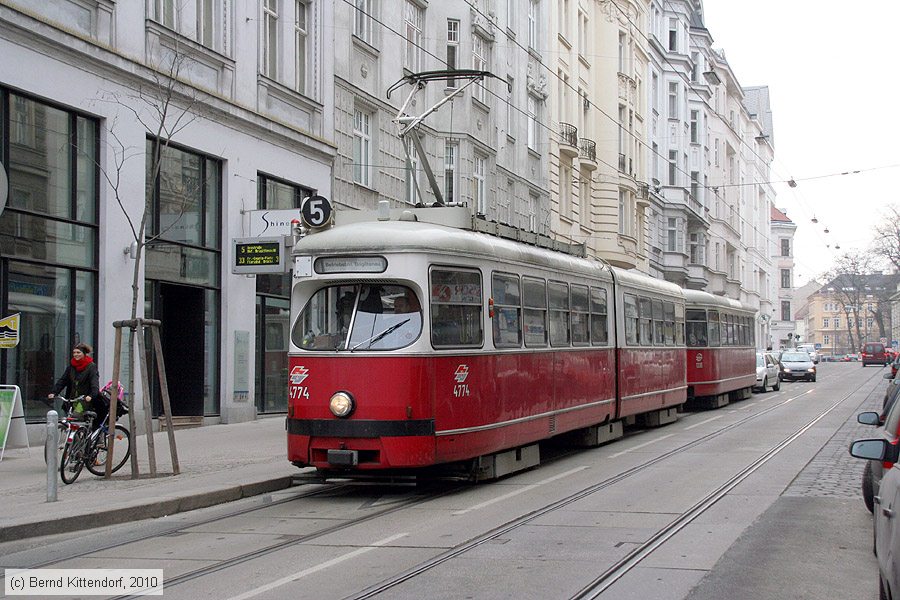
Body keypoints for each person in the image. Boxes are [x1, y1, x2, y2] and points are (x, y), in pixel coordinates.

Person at [49, 343, 104, 430]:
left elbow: (94, 383)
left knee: (76, 416)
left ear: (84, 353)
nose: (76, 354)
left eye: (78, 352)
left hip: (85, 400)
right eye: (74, 352)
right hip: (72, 399)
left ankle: (87, 435)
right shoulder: (72, 366)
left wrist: (91, 396)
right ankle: (77, 436)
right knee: (71, 419)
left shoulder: (91, 367)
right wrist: (54, 392)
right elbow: (63, 380)